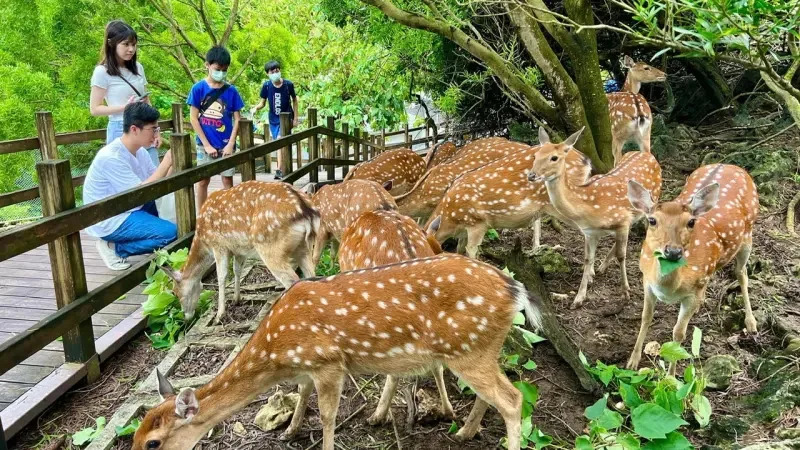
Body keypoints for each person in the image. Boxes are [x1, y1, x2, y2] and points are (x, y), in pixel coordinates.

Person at [83, 103, 177, 271]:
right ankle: (115, 248)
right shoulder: (111, 157)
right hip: (109, 218)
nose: (156, 135)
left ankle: (144, 241)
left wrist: (173, 163)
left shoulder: (140, 151)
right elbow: (141, 192)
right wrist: (167, 161)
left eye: (158, 129)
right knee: (170, 232)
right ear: (134, 129)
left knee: (169, 219)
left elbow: (156, 183)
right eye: (153, 129)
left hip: (129, 206)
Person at [90, 20, 160, 167]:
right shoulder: (102, 72)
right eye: (126, 44)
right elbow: (95, 109)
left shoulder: (138, 68)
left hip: (145, 126)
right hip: (120, 127)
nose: (131, 49)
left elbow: (147, 102)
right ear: (112, 44)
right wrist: (126, 107)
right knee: (124, 178)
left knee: (152, 175)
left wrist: (156, 129)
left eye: (133, 45)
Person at [187, 46, 244, 208]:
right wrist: (206, 144)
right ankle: (203, 215)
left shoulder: (231, 91)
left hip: (225, 143)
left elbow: (237, 118)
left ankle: (230, 216)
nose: (221, 73)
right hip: (204, 144)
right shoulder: (198, 89)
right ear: (207, 65)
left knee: (227, 180)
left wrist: (231, 144)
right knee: (203, 181)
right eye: (218, 69)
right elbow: (193, 117)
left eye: (224, 70)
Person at [251, 60, 298, 180]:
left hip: (287, 117)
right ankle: (283, 168)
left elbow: (295, 100)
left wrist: (296, 118)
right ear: (268, 73)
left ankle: (279, 169)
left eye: (277, 70)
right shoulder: (267, 86)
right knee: (279, 143)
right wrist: (256, 108)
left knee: (280, 139)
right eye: (272, 71)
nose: (275, 73)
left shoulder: (288, 85)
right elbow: (262, 103)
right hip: (273, 119)